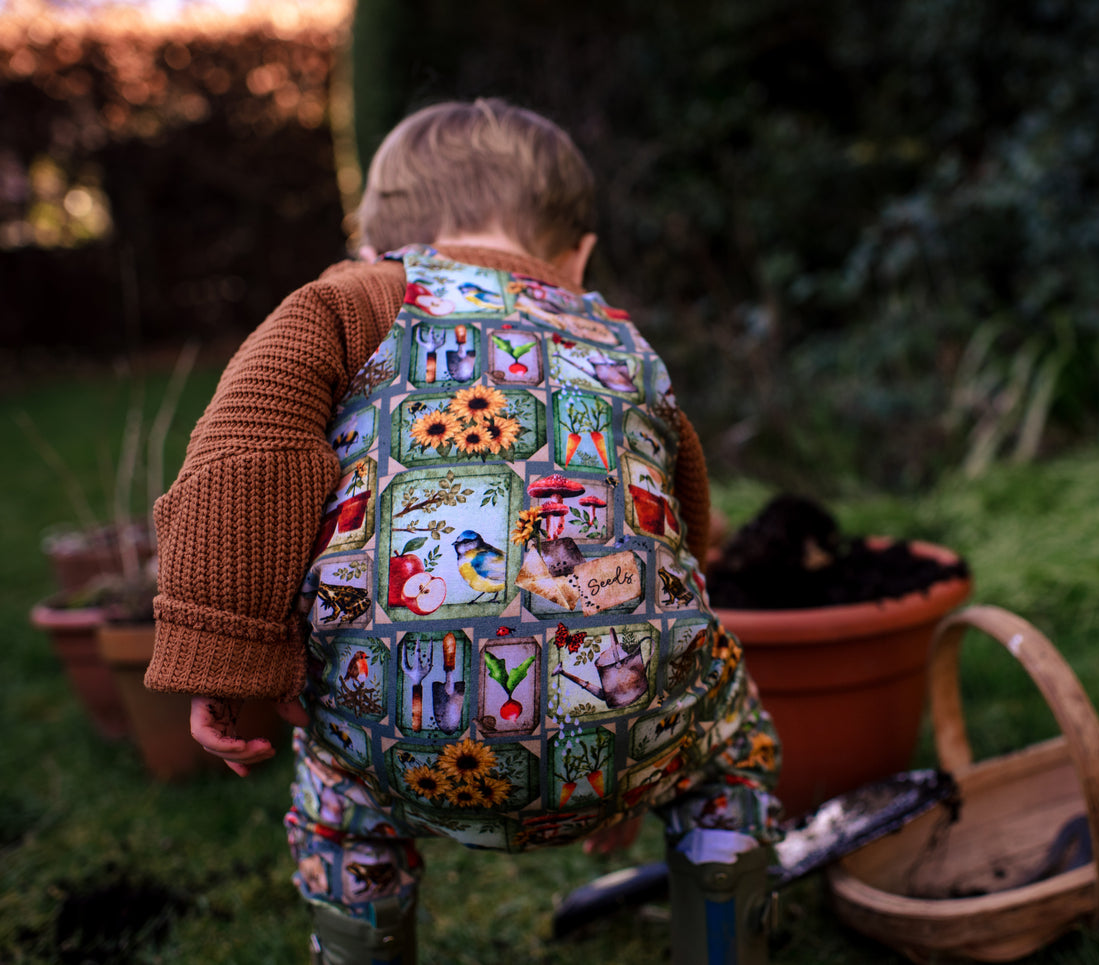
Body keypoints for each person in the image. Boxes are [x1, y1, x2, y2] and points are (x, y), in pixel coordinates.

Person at [144, 98, 782, 965]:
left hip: (389, 735)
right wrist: (642, 721)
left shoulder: (357, 297)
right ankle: (723, 939)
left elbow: (248, 453)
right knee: (730, 753)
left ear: (372, 244)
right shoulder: (620, 340)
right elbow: (680, 518)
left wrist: (231, 651)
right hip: (628, 708)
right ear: (576, 256)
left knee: (342, 798)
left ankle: (359, 937)